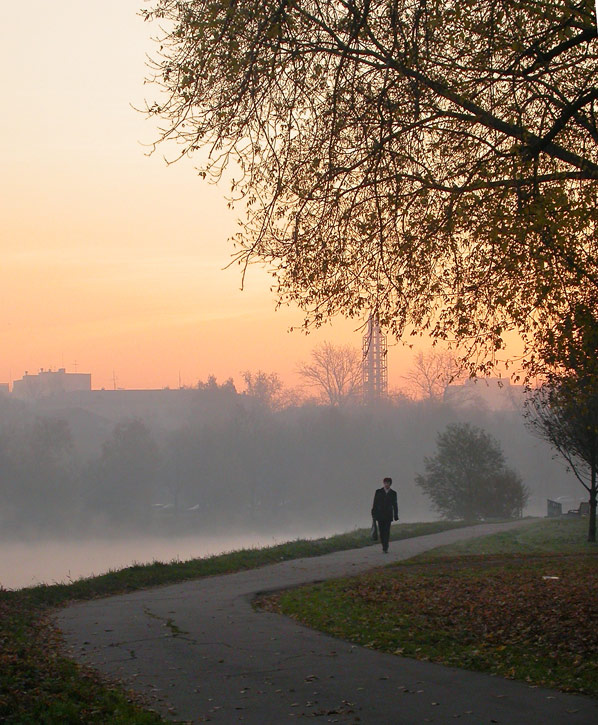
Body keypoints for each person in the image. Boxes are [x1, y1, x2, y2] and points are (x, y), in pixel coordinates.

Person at [371, 477, 398, 553]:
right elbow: (375, 503)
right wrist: (373, 512)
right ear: (383, 483)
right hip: (380, 515)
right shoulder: (378, 492)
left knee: (387, 531)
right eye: (385, 483)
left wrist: (396, 515)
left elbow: (395, 504)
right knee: (381, 531)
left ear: (390, 484)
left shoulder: (393, 493)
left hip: (388, 515)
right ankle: (383, 544)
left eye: (388, 483)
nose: (386, 484)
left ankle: (385, 547)